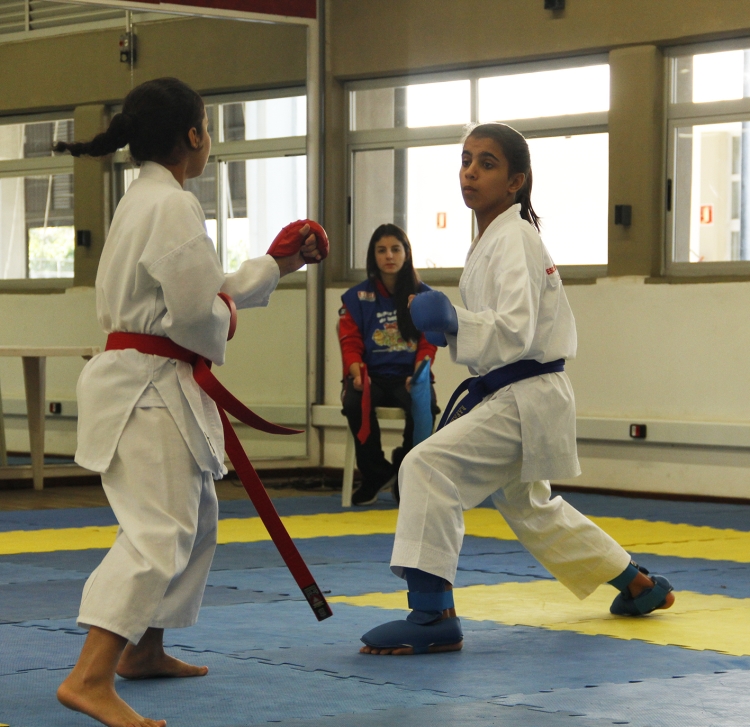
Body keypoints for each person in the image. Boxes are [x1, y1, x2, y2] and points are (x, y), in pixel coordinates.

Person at [52, 78, 326, 727]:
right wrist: (225, 311)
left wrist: (274, 265)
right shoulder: (171, 204)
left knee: (194, 516)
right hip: (146, 386)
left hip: (149, 377)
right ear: (195, 135)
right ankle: (90, 676)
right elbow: (199, 313)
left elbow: (201, 293)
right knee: (161, 531)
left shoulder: (146, 197)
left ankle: (144, 650)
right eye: (210, 128)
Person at [359, 122, 675, 655]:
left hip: (525, 394)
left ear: (515, 181)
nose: (470, 172)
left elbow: (515, 329)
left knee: (425, 466)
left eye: (486, 163)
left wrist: (456, 321)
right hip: (520, 392)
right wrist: (448, 326)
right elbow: (499, 329)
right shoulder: (491, 237)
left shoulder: (515, 238)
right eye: (465, 160)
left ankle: (432, 613)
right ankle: (636, 584)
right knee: (531, 506)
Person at [339, 224, 439, 506]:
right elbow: (350, 340)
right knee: (353, 403)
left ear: (407, 253)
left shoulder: (423, 295)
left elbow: (428, 343)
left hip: (409, 376)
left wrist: (418, 375)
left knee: (426, 406)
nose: (389, 256)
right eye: (381, 250)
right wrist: (356, 373)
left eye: (396, 249)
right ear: (373, 256)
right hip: (371, 376)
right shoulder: (357, 296)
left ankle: (406, 469)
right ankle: (376, 473)